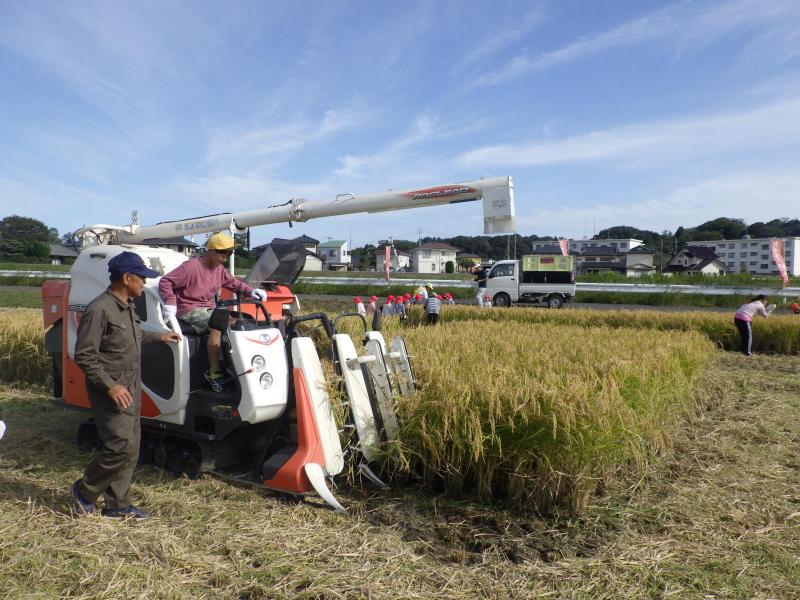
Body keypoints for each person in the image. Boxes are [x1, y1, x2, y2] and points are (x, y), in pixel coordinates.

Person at [71, 252, 182, 519]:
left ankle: (118, 505)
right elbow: (84, 355)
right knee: (118, 446)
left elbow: (134, 336)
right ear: (127, 278)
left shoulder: (127, 305)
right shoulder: (100, 310)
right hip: (111, 389)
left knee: (131, 448)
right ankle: (84, 491)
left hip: (131, 385)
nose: (144, 283)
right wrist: (110, 386)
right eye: (142, 278)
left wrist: (159, 336)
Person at [158, 233, 267, 392]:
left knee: (239, 322)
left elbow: (232, 283)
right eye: (223, 253)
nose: (225, 257)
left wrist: (251, 292)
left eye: (228, 253)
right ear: (211, 251)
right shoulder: (191, 267)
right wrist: (170, 302)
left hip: (208, 307)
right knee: (218, 323)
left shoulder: (219, 269)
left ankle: (238, 365)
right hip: (188, 307)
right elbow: (165, 281)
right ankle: (214, 372)